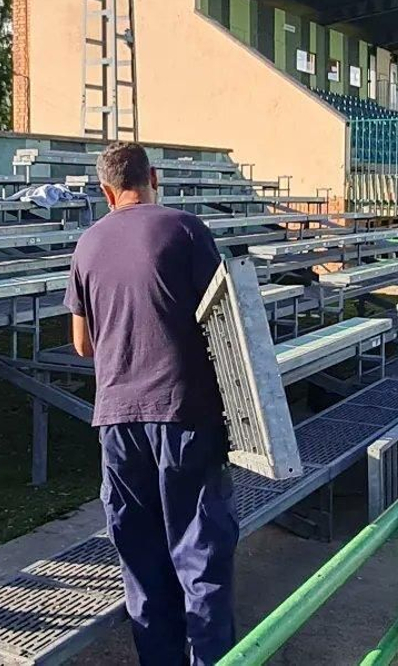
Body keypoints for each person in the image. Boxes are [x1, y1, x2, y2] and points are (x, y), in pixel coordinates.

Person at [63, 141, 238, 666]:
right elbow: (224, 320)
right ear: (153, 177)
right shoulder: (184, 229)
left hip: (117, 420)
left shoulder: (86, 245)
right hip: (183, 411)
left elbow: (82, 344)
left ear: (105, 190)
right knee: (199, 555)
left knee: (140, 560)